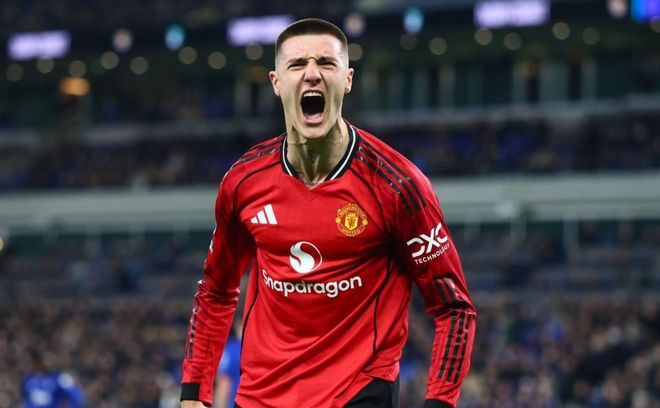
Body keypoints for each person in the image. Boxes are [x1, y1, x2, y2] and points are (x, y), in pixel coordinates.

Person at [180, 18, 476, 408]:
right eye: (297, 64)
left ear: (348, 79)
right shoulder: (243, 181)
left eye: (326, 63)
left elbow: (454, 308)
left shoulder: (399, 186)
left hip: (357, 394)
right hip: (260, 397)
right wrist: (193, 393)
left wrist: (439, 401)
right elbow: (216, 291)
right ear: (276, 82)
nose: (312, 74)